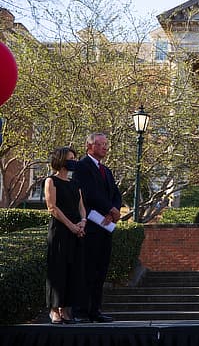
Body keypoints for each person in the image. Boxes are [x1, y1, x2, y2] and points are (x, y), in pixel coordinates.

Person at [72, 133, 121, 323]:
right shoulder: (82, 167)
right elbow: (88, 193)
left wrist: (114, 210)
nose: (105, 148)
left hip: (106, 226)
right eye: (100, 144)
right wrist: (108, 208)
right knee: (88, 269)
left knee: (101, 269)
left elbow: (115, 193)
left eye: (106, 145)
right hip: (90, 226)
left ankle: (95, 310)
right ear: (89, 146)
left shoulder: (106, 170)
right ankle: (82, 311)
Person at [45, 146, 87, 324]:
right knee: (58, 269)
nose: (74, 161)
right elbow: (52, 208)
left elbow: (81, 207)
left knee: (72, 270)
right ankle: (54, 310)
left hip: (76, 232)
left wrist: (83, 222)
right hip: (60, 232)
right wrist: (71, 226)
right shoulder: (51, 181)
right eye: (71, 158)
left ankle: (66, 310)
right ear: (62, 160)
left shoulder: (74, 183)